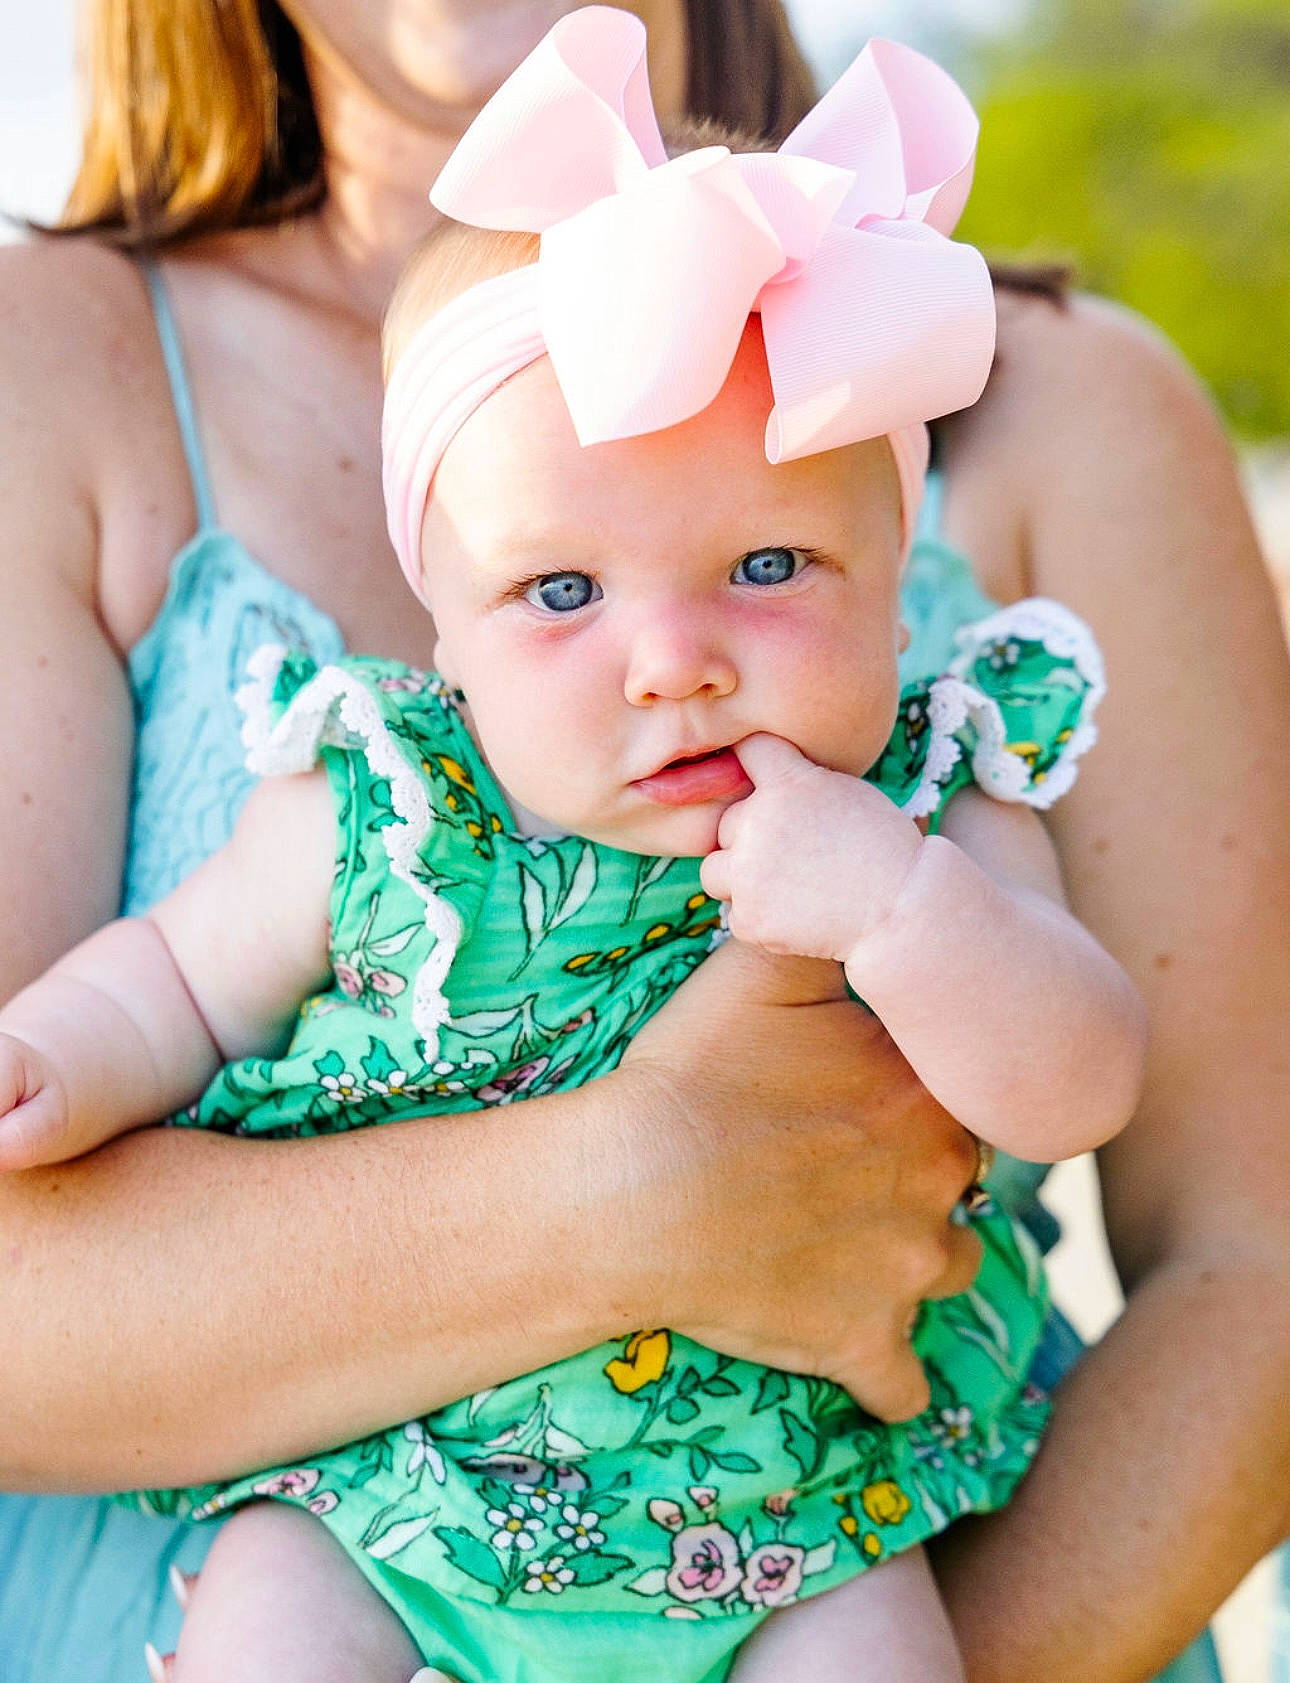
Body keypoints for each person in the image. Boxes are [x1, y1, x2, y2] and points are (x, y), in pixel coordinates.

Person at [0, 2, 1285, 1681]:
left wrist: (910, 905)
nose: (671, 659)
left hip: (823, 1514)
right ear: (439, 632)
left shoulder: (931, 759)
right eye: (559, 594)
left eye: (768, 567)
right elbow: (169, 981)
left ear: (896, 580)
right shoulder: (384, 786)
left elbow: (1230, 1241)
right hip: (395, 1509)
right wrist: (654, 1183)